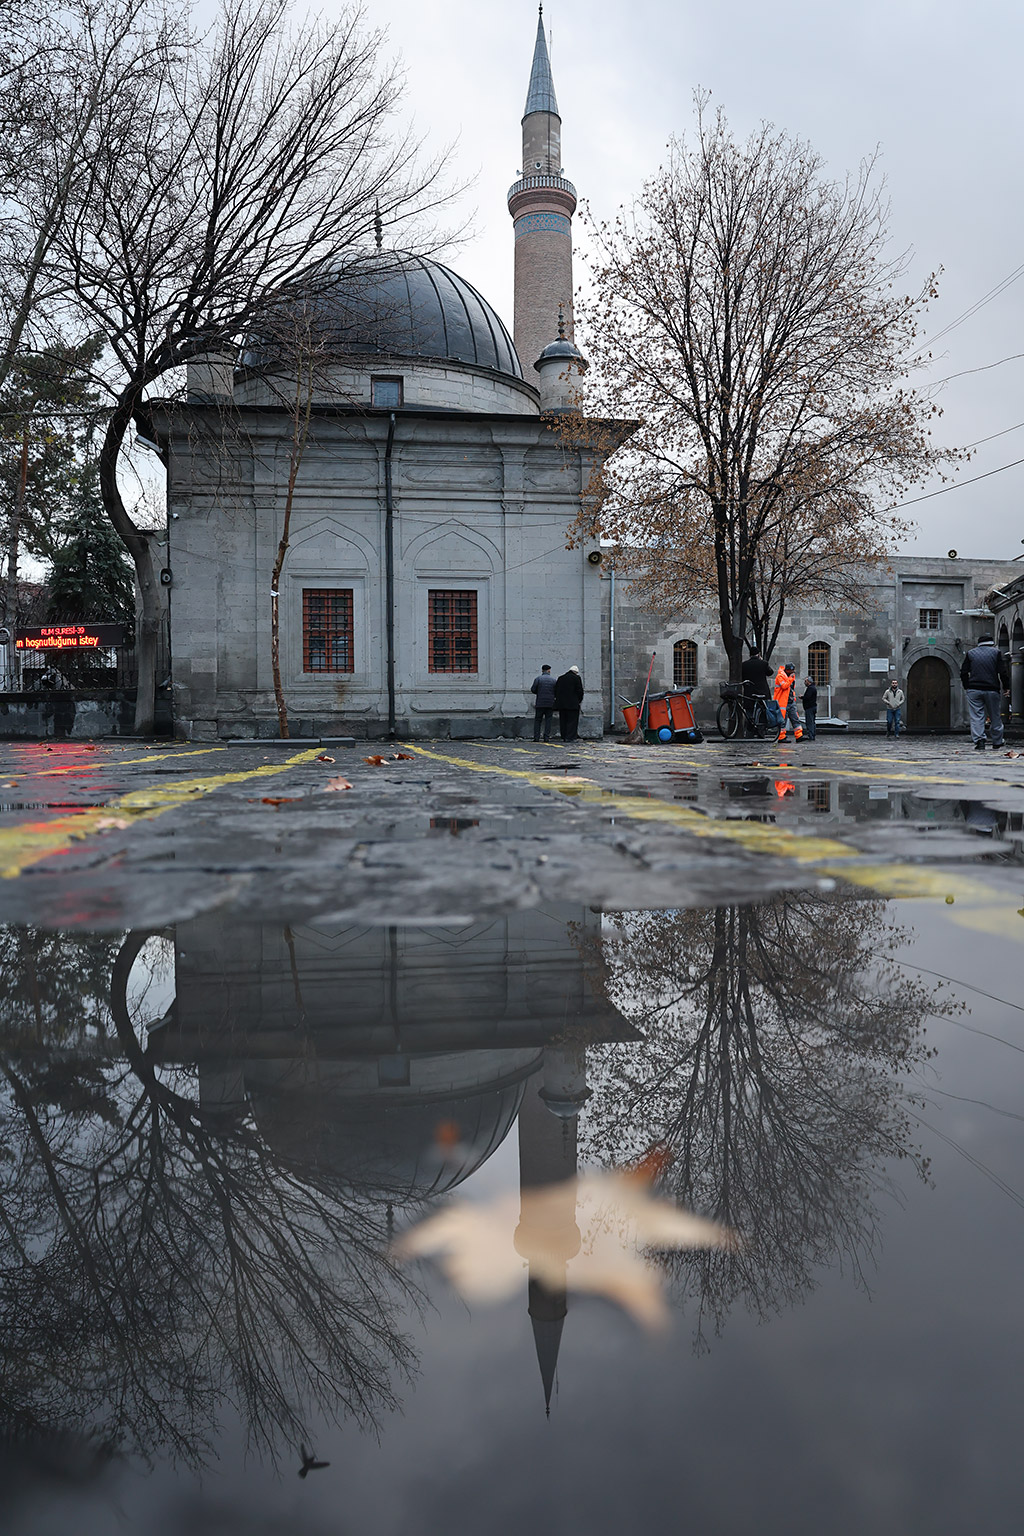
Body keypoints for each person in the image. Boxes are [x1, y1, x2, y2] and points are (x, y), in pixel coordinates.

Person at [960, 634, 1010, 750]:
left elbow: (963, 672)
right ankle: (997, 741)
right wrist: (1006, 687)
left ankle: (980, 740)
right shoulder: (996, 653)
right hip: (992, 689)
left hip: (974, 689)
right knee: (995, 716)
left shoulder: (971, 653)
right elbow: (1002, 672)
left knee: (977, 716)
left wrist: (967, 686)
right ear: (991, 643)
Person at [742, 643, 774, 733]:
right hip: (762, 691)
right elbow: (770, 672)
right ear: (758, 654)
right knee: (763, 712)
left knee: (749, 712)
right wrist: (762, 661)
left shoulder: (744, 665)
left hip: (749, 692)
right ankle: (762, 730)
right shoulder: (763, 663)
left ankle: (749, 731)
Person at [554, 664, 584, 741]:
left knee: (563, 720)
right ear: (576, 672)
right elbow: (579, 691)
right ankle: (570, 737)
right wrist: (579, 700)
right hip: (573, 703)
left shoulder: (561, 678)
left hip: (561, 704)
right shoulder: (576, 678)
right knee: (572, 721)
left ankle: (563, 735)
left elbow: (556, 690)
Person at [773, 662, 802, 742]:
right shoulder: (780, 676)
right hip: (783, 702)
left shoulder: (791, 676)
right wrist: (790, 679)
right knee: (782, 720)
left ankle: (799, 736)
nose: (793, 672)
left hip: (790, 701)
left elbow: (791, 689)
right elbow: (784, 686)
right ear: (787, 670)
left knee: (795, 718)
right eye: (791, 671)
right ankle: (781, 737)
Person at [530, 663, 557, 742]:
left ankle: (536, 737)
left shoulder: (538, 679)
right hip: (550, 703)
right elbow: (555, 691)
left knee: (538, 720)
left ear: (542, 670)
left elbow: (533, 689)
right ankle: (546, 737)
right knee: (548, 720)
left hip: (540, 703)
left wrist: (539, 692)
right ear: (549, 670)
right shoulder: (553, 680)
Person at [801, 676, 818, 740]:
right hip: (812, 707)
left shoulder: (811, 688)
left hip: (809, 707)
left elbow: (807, 697)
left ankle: (811, 736)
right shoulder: (813, 688)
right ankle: (812, 735)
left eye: (806, 681)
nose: (805, 682)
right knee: (812, 722)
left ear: (809, 681)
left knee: (809, 722)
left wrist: (802, 697)